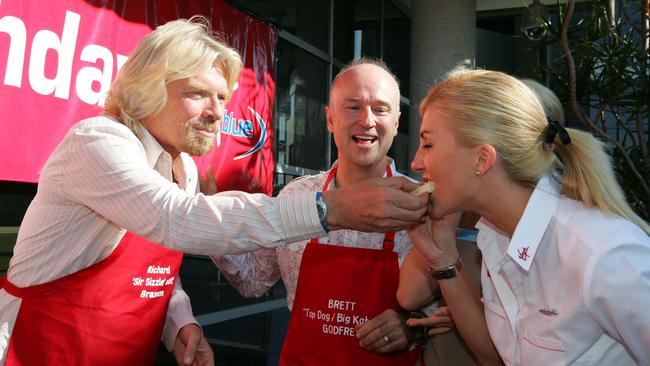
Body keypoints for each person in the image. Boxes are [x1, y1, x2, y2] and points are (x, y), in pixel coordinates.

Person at [0, 18, 429, 366]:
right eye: (198, 95)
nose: (217, 113)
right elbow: (176, 220)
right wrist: (326, 209)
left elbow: (155, 273)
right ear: (146, 90)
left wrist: (181, 324)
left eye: (222, 98)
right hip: (36, 350)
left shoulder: (181, 166)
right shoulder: (97, 141)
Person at [211, 58, 456, 365]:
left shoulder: (421, 204)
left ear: (396, 121)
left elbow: (456, 306)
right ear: (329, 119)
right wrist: (209, 213)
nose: (367, 120)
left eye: (380, 109)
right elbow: (253, 281)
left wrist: (413, 326)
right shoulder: (297, 196)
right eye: (353, 107)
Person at [400, 68, 650, 365]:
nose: (415, 162)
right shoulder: (495, 236)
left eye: (428, 143)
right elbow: (498, 358)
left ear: (482, 158)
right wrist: (442, 261)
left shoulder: (603, 253)